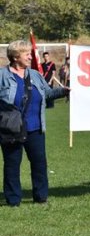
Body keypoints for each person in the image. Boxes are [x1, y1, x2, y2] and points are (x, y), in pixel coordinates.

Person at [1, 40, 68, 206]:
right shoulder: (2, 76)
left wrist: (63, 91)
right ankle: (13, 200)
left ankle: (41, 196)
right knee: (12, 165)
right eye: (27, 54)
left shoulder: (35, 75)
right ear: (16, 57)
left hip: (35, 128)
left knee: (39, 163)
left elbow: (47, 94)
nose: (31, 57)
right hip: (11, 129)